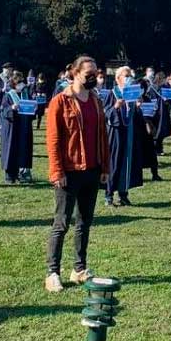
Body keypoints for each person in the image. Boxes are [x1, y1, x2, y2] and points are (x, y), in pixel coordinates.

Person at [44, 56, 111, 293]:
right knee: (61, 223)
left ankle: (79, 268)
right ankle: (52, 272)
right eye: (88, 73)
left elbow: (103, 135)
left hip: (92, 170)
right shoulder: (60, 101)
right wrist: (56, 170)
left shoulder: (96, 101)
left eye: (96, 72)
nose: (93, 76)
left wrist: (105, 167)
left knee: (84, 222)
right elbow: (53, 140)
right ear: (75, 73)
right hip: (68, 171)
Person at [102, 67, 144, 207]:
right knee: (114, 162)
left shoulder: (132, 94)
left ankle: (123, 194)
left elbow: (134, 116)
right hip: (115, 132)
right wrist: (115, 106)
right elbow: (105, 113)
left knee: (127, 163)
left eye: (129, 76)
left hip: (129, 132)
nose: (128, 78)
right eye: (126, 76)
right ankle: (109, 195)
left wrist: (138, 106)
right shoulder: (112, 93)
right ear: (118, 78)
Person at [0, 72, 35, 184]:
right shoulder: (8, 95)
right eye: (19, 82)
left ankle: (23, 173)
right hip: (12, 127)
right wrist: (12, 108)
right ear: (14, 84)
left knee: (23, 149)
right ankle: (10, 175)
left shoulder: (26, 94)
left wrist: (34, 109)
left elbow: (32, 111)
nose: (22, 84)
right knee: (11, 150)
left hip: (24, 127)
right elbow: (4, 111)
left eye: (22, 82)